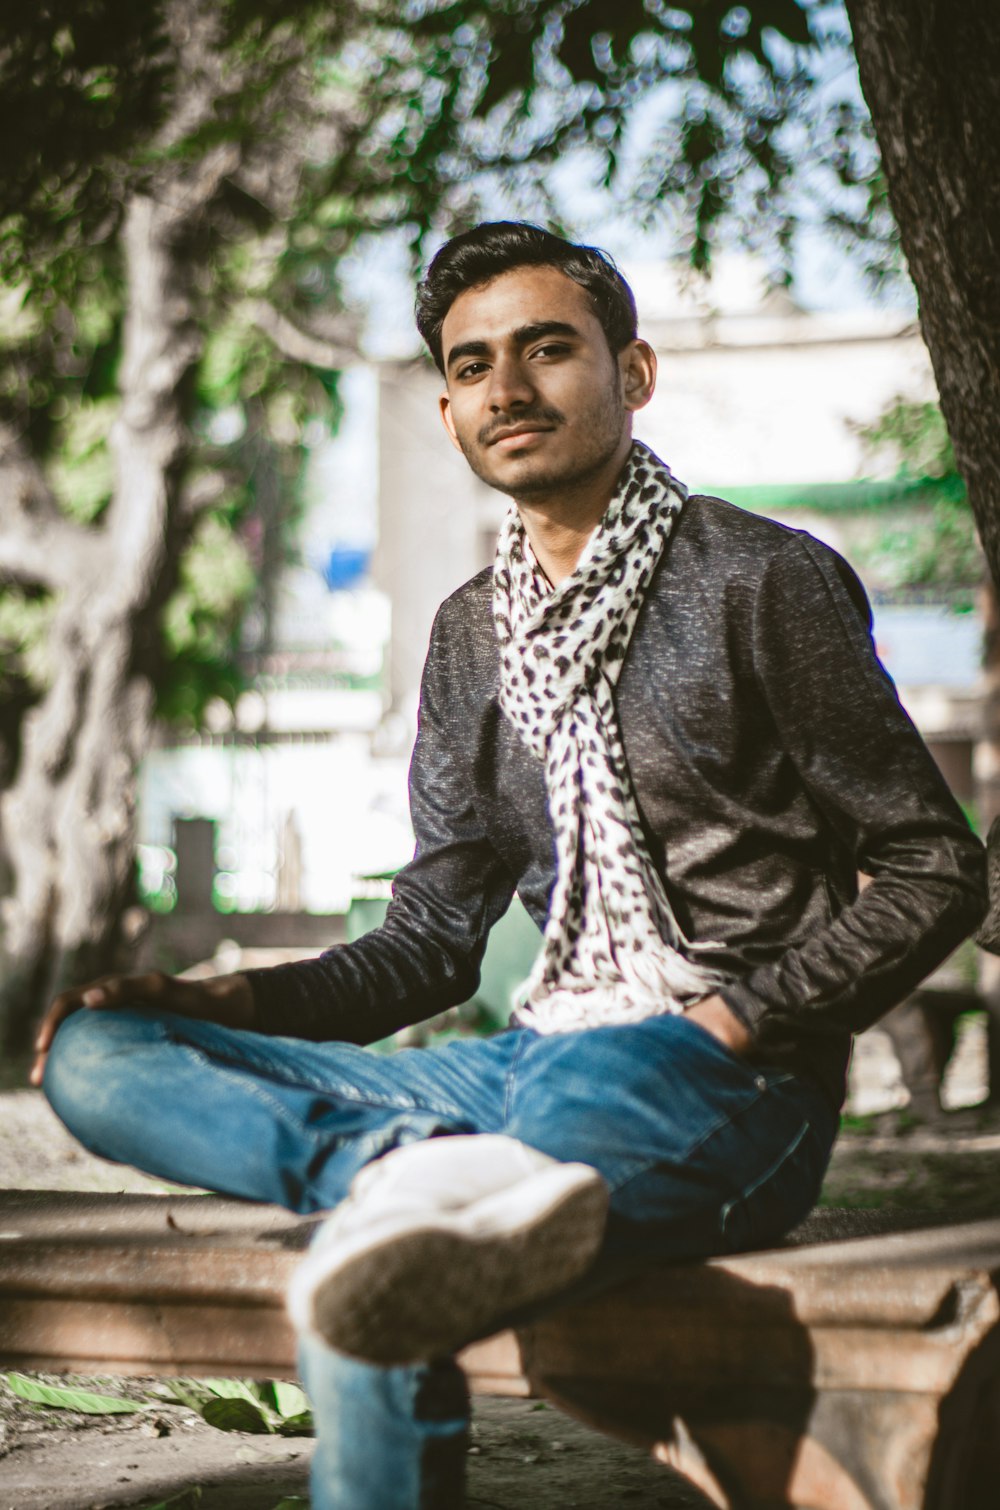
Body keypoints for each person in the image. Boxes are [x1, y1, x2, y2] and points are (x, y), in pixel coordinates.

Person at [34, 222, 986, 1509]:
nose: (509, 389)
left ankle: (420, 1191)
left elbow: (935, 866)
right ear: (446, 407)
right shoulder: (470, 636)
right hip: (526, 1062)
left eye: (547, 349)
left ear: (632, 372)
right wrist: (234, 1001)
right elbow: (432, 935)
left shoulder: (761, 579)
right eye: (474, 366)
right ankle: (425, 1184)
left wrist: (737, 1016)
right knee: (103, 1056)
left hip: (719, 1076)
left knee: (374, 1267)